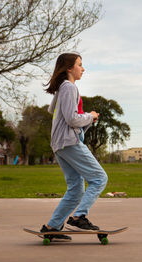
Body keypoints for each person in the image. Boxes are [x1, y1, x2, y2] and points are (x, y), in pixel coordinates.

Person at [40, 53, 108, 241]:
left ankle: (51, 227)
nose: (83, 68)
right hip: (70, 142)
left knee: (76, 188)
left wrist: (87, 118)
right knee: (99, 178)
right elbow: (71, 119)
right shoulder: (69, 88)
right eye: (80, 64)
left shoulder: (61, 89)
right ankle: (79, 216)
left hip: (59, 144)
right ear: (69, 68)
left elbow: (59, 115)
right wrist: (90, 115)